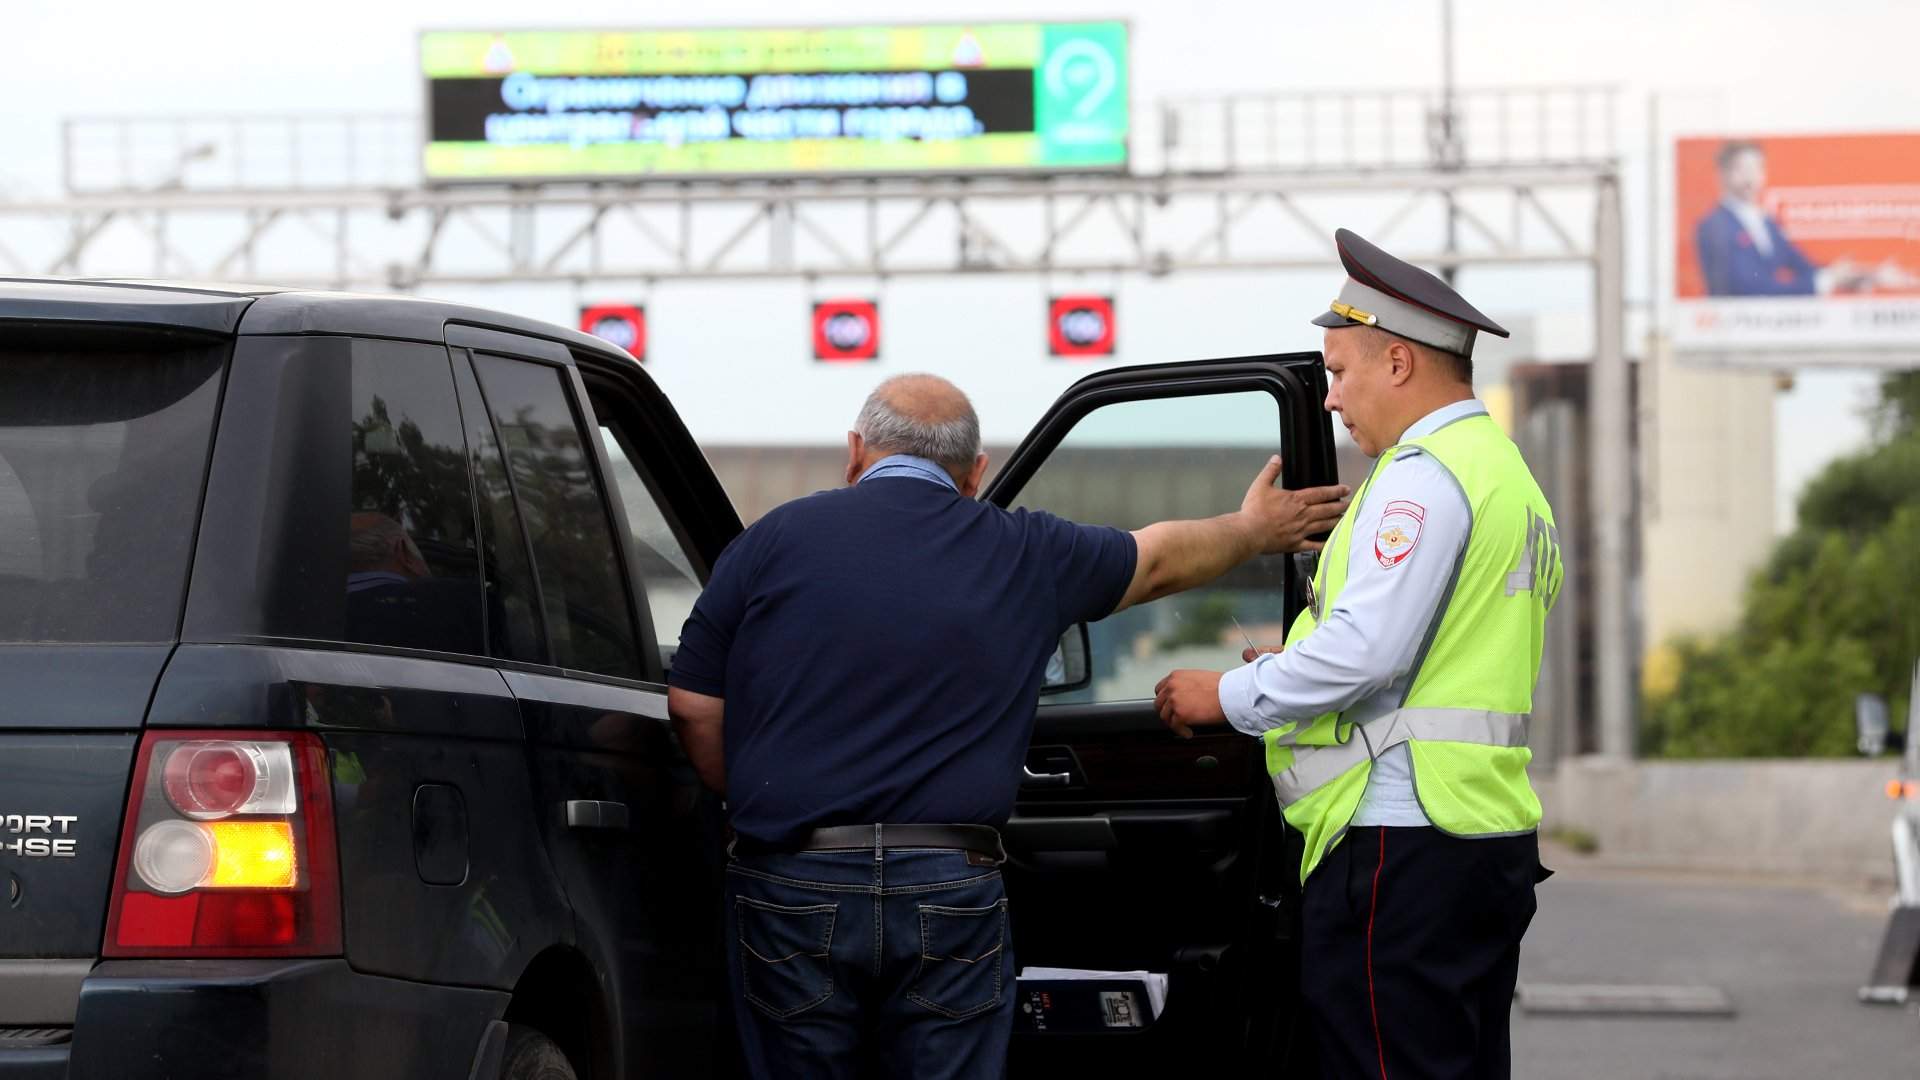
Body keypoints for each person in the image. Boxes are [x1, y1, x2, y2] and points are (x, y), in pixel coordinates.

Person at [666, 374, 1349, 1079]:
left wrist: (753, 801)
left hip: (791, 880)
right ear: (975, 471)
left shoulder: (770, 541)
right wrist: (1252, 530)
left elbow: (691, 705)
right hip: (949, 883)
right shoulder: (1024, 550)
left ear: (855, 451)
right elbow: (1160, 558)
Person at [1154, 228, 1563, 1079]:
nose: (1332, 399)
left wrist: (1228, 694)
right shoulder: (1501, 470)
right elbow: (1431, 648)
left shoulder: (1421, 476)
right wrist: (1293, 657)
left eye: (1340, 372)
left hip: (1399, 837)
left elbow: (1366, 652)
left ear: (1401, 363)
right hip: (1479, 832)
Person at [1694, 140, 1885, 297]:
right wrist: (1825, 280)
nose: (1750, 176)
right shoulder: (1714, 226)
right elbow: (1751, 288)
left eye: (1757, 167)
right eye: (1742, 168)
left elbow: (1803, 266)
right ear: (1723, 174)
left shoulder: (1765, 221)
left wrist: (1858, 276)